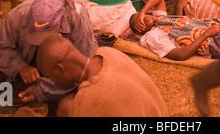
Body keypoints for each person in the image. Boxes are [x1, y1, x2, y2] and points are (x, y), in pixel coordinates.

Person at [0, 0, 98, 111]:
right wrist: (19, 66)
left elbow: (82, 67)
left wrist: (42, 90)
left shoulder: (76, 15)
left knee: (75, 98)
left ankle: (48, 101)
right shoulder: (21, 14)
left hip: (62, 72)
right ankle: (24, 104)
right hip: (29, 63)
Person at [36, 34, 169, 117]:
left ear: (60, 69)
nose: (52, 81)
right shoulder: (108, 52)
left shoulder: (88, 101)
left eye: (50, 76)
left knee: (65, 108)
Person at [129, 12, 220, 61]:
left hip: (218, 28)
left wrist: (142, 12)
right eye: (139, 20)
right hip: (213, 42)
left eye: (143, 14)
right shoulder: (152, 36)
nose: (144, 17)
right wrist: (206, 34)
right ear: (139, 29)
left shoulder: (160, 20)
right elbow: (179, 55)